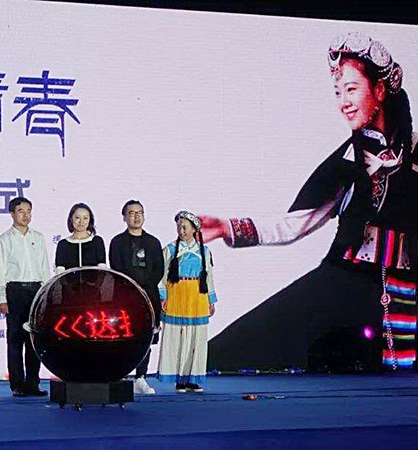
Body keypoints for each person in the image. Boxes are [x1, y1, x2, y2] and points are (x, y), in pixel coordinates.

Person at [201, 32, 418, 372]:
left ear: (379, 90)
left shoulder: (415, 152)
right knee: (233, 350)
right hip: (345, 281)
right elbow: (295, 223)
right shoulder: (348, 161)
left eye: (351, 89)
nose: (343, 102)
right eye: (337, 92)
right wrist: (227, 227)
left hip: (406, 290)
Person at [0, 197, 51, 397]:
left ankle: (33, 383)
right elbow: (0, 271)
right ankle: (17, 384)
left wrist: (46, 293)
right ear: (12, 214)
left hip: (36, 290)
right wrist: (2, 297)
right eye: (21, 211)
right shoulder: (4, 240)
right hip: (15, 290)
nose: (25, 215)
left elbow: (44, 267)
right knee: (15, 339)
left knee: (34, 339)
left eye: (28, 211)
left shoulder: (38, 237)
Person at [157, 211, 217, 393]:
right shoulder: (170, 250)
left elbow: (209, 277)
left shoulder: (204, 251)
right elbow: (161, 276)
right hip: (177, 294)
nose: (181, 231)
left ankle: (193, 378)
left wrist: (211, 300)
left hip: (197, 296)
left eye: (184, 227)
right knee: (177, 337)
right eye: (179, 227)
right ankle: (179, 378)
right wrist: (163, 297)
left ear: (194, 229)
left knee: (196, 339)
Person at [109, 200, 164, 394]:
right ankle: (122, 375)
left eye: (140, 212)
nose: (136, 216)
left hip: (149, 297)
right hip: (125, 297)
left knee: (146, 337)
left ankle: (141, 377)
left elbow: (159, 270)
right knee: (124, 336)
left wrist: (145, 287)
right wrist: (132, 288)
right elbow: (116, 268)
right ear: (124, 217)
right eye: (131, 213)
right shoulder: (117, 242)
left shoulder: (153, 242)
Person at [54, 202, 106, 273]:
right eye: (77, 218)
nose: (81, 222)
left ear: (90, 220)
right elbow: (60, 273)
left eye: (85, 218)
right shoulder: (63, 244)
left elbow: (102, 271)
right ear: (71, 219)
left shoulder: (97, 241)